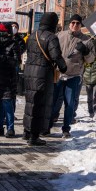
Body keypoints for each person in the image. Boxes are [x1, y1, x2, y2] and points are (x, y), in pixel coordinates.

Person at [22, 12, 67, 146]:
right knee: (40, 105)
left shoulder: (31, 36)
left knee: (30, 102)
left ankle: (26, 131)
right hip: (42, 74)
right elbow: (56, 56)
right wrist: (63, 67)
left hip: (29, 72)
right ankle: (34, 137)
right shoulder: (51, 37)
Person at [49, 14, 96, 138]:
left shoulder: (87, 40)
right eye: (73, 23)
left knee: (69, 104)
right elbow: (52, 51)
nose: (75, 25)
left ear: (81, 25)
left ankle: (66, 129)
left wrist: (85, 51)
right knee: (53, 102)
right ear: (69, 24)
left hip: (74, 76)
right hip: (58, 74)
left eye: (78, 23)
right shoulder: (60, 35)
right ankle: (48, 125)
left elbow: (91, 59)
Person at [83, 39, 96, 121]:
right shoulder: (86, 55)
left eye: (95, 46)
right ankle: (91, 112)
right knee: (89, 97)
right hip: (87, 79)